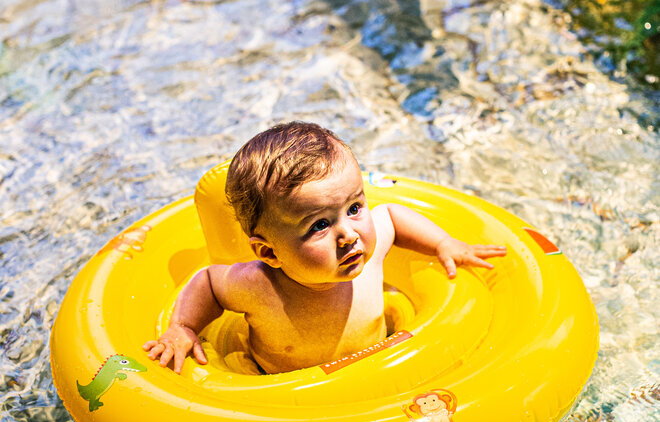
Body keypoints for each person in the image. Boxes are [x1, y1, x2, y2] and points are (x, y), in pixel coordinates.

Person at [143, 122, 507, 374]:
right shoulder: (258, 286)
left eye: (353, 208)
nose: (348, 234)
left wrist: (443, 243)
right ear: (270, 253)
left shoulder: (370, 246)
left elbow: (392, 216)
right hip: (288, 391)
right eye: (319, 225)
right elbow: (207, 282)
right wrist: (184, 327)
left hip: (377, 372)